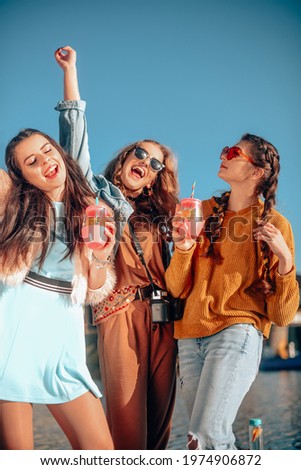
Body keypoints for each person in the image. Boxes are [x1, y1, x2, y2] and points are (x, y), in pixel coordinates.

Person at [54, 46, 180, 450]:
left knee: (160, 436)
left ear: (155, 179)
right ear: (126, 157)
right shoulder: (99, 196)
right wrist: (71, 74)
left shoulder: (164, 215)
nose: (146, 162)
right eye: (141, 152)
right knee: (128, 435)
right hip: (119, 312)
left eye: (157, 163)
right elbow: (74, 146)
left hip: (166, 319)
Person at [164, 135, 300, 450]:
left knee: (205, 435)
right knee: (203, 438)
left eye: (234, 153)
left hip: (236, 333)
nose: (223, 155)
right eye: (225, 149)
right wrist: (183, 248)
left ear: (257, 173)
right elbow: (176, 287)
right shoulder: (200, 211)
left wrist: (285, 259)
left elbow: (280, 315)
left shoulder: (277, 226)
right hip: (189, 337)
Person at [0, 126, 116, 450]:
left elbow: (95, 289)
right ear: (22, 176)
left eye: (47, 149)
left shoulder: (92, 210)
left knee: (101, 452)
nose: (46, 161)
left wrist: (103, 256)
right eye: (32, 161)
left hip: (63, 337)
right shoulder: (16, 206)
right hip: (11, 335)